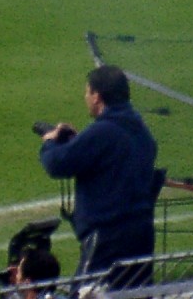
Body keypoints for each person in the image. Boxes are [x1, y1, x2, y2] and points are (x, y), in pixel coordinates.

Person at [39, 65, 161, 289]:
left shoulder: (102, 131)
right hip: (142, 234)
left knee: (87, 293)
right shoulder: (142, 131)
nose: (86, 97)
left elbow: (57, 163)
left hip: (108, 238)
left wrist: (49, 142)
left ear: (97, 96)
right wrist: (79, 143)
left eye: (88, 92)